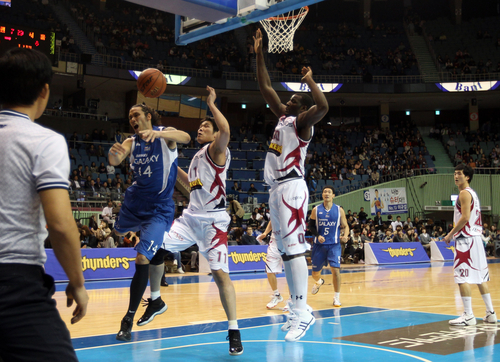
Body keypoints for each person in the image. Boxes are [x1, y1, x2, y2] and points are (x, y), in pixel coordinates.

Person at [0, 48, 88, 361]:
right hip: (14, 285)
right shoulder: (43, 141)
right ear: (44, 90)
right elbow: (61, 225)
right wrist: (77, 282)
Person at [148, 87, 243, 355]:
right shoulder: (197, 158)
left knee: (220, 275)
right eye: (200, 126)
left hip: (213, 223)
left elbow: (225, 131)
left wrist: (212, 104)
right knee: (155, 246)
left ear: (213, 135)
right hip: (190, 219)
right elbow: (191, 185)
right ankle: (156, 300)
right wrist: (170, 164)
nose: (200, 129)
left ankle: (234, 330)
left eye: (205, 127)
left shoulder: (217, 150)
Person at [255, 28, 329, 342]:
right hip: (276, 190)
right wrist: (258, 53)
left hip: (291, 188)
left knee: (295, 252)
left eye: (293, 100)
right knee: (285, 254)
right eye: (288, 100)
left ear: (300, 110)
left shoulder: (301, 124)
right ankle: (296, 311)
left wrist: (310, 81)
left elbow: (323, 107)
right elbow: (264, 85)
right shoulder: (283, 117)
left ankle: (303, 312)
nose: (287, 101)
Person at [109, 102, 190, 341]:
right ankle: (156, 299)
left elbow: (185, 136)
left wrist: (159, 133)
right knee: (116, 232)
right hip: (134, 202)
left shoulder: (166, 137)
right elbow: (116, 160)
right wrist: (114, 156)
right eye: (129, 116)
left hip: (159, 209)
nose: (132, 119)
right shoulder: (130, 142)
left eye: (135, 114)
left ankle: (128, 319)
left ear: (147, 116)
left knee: (143, 257)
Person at [444, 164, 497, 326]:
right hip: (476, 239)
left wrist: (450, 234)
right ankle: (491, 313)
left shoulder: (464, 194)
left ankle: (468, 315)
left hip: (465, 240)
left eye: (459, 173)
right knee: (480, 277)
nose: (456, 176)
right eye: (454, 173)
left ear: (467, 177)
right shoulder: (473, 193)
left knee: (462, 277)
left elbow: (465, 217)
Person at [309, 186, 349, 307]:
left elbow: (346, 226)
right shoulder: (316, 210)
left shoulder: (339, 210)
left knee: (335, 270)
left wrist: (346, 235)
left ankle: (336, 297)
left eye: (329, 192)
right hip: (319, 246)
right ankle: (318, 281)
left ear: (333, 196)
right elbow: (311, 226)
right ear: (322, 195)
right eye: (324, 191)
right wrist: (317, 235)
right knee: (315, 273)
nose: (326, 193)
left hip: (334, 245)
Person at [257, 221, 286, 309]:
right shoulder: (275, 208)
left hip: (288, 243)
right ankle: (276, 295)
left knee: (291, 274)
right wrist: (265, 233)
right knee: (269, 271)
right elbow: (272, 220)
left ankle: (293, 300)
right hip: (274, 244)